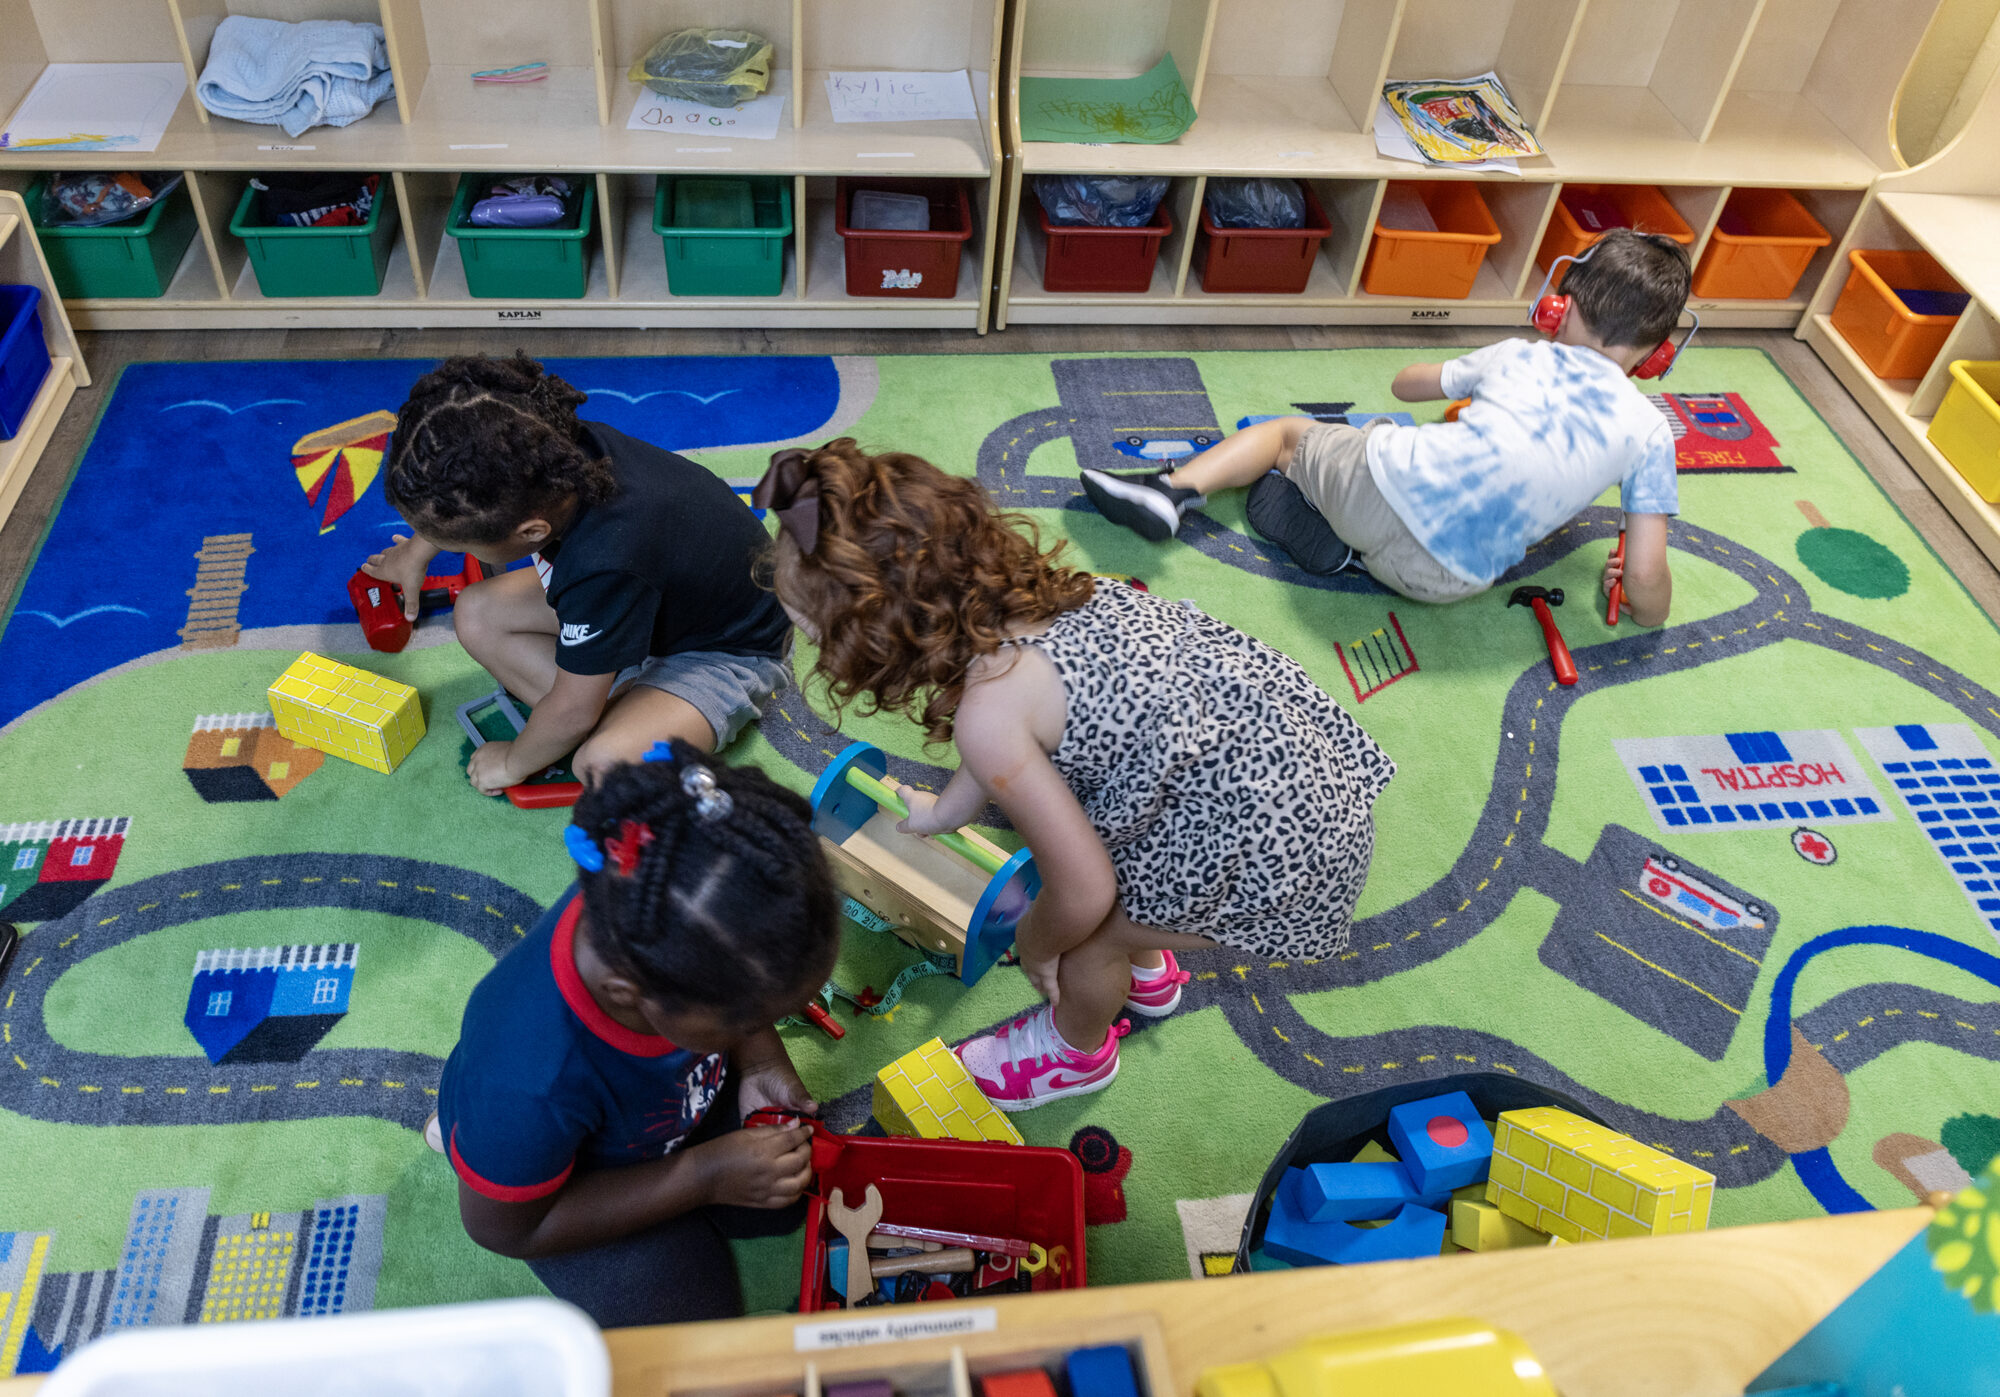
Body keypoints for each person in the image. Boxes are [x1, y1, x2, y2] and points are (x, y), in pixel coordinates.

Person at [755, 441, 1393, 1110]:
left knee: (1085, 942)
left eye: (813, 631)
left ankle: (1076, 1052)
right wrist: (944, 813)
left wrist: (1037, 944)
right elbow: (1001, 744)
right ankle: (1147, 968)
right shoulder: (1044, 607)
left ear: (878, 641)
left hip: (1284, 863)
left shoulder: (990, 714)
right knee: (1106, 885)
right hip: (1287, 793)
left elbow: (1083, 891)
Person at [1079, 229, 1692, 627]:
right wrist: (1648, 614)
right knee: (1473, 519)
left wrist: (1454, 378)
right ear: (1659, 353)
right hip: (1445, 580)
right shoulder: (1650, 431)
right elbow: (1644, 578)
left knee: (1288, 436)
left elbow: (1406, 386)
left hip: (1382, 485)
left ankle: (1171, 491)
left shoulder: (1519, 354)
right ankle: (1350, 557)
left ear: (1558, 307)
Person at [431, 746, 841, 1327]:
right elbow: (506, 1230)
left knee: (799, 1187)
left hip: (656, 1116)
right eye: (747, 1020)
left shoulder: (655, 903)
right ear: (627, 993)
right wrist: (703, 1177)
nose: (762, 1028)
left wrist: (759, 1063)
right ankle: (479, 1152)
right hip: (573, 1186)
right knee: (694, 1325)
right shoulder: (527, 1079)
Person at [363, 353, 791, 794]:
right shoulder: (547, 451)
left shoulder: (602, 560)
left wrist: (512, 761)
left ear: (532, 531)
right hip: (651, 601)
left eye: (461, 545)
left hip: (726, 652)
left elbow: (572, 712)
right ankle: (621, 696)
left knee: (602, 763)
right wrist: (415, 552)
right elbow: (467, 481)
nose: (454, 549)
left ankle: (624, 705)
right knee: (476, 613)